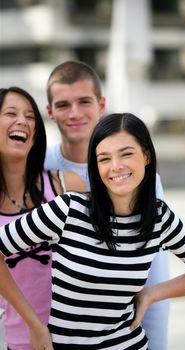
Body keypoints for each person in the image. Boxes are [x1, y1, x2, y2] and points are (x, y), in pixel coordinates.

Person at [0, 112, 185, 349]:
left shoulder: (159, 218)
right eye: (104, 159)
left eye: (126, 154)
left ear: (146, 155)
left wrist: (151, 294)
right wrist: (33, 324)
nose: (116, 167)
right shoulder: (68, 209)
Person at [44, 60, 169, 349]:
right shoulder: (37, 168)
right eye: (63, 104)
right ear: (49, 111)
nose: (74, 113)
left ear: (101, 104)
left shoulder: (138, 176)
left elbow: (153, 276)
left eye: (84, 101)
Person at [0, 86, 86, 350]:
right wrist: (36, 327)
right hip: (25, 338)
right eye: (11, 113)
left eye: (30, 116)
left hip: (84, 332)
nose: (22, 121)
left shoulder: (66, 185)